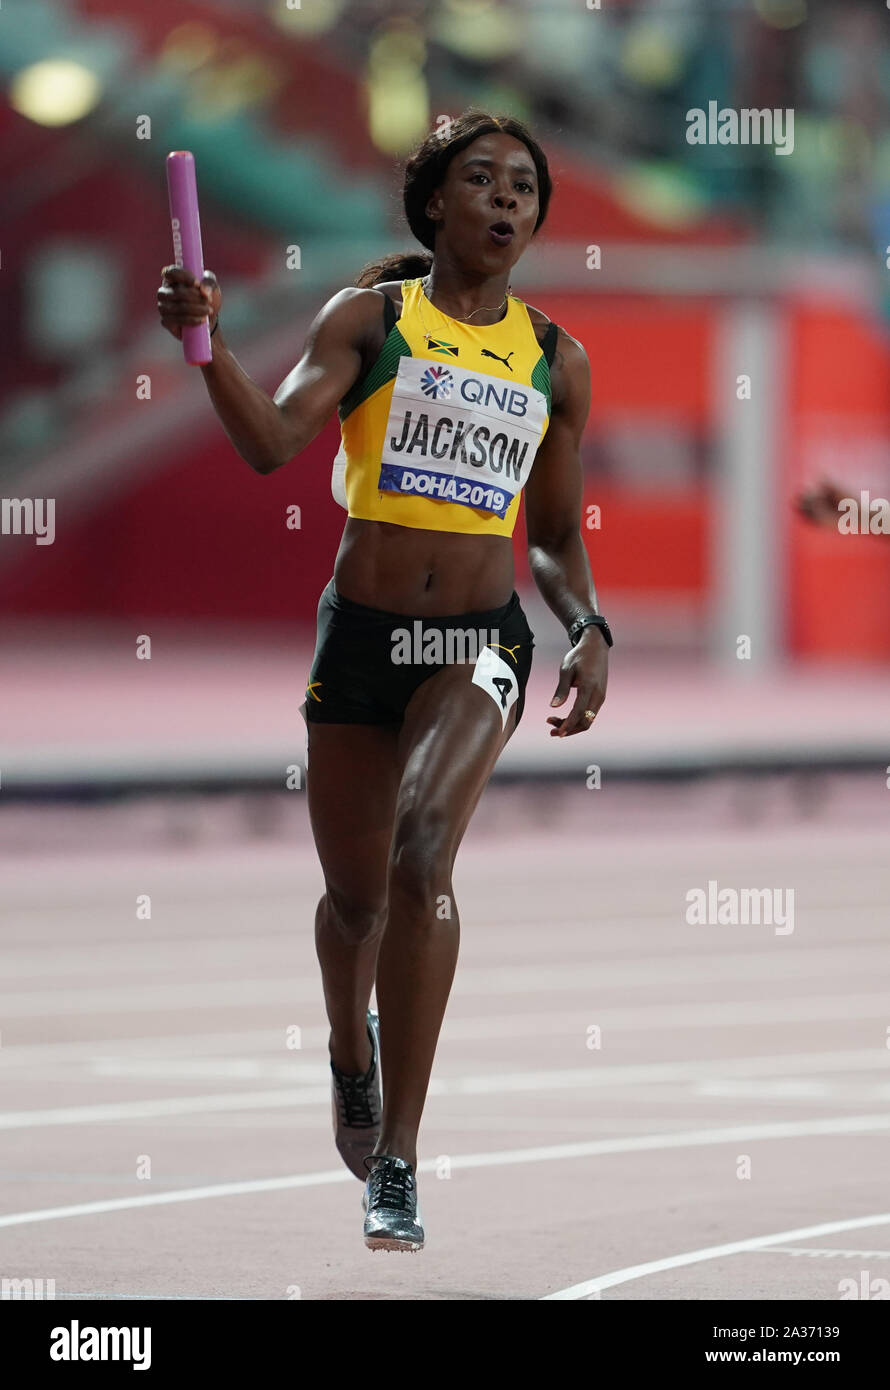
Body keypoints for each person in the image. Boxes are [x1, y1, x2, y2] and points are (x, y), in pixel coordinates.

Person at [157, 109, 611, 1253]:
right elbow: (268, 444)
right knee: (352, 901)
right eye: (481, 181)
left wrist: (586, 623)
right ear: (433, 204)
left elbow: (551, 533)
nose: (505, 202)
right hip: (361, 636)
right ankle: (346, 1049)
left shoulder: (556, 360)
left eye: (522, 187)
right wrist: (203, 347)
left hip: (475, 642)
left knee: (421, 857)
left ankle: (398, 1158)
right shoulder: (369, 320)